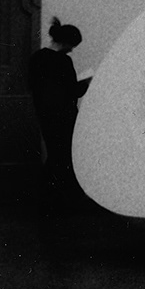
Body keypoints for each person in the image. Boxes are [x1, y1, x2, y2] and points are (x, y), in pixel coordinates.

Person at [28, 17, 89, 209]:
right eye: (72, 45)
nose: (72, 50)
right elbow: (73, 91)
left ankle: (47, 198)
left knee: (55, 154)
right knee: (65, 156)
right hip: (65, 115)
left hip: (45, 114)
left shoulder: (37, 58)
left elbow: (32, 86)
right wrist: (86, 84)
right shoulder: (64, 61)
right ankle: (63, 198)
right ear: (66, 42)